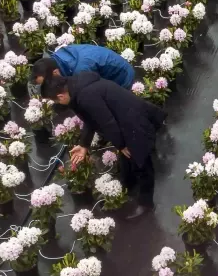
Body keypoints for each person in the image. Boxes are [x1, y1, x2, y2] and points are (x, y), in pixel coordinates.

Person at [43, 71, 165, 217]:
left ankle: (146, 203)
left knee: (142, 162)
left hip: (133, 121)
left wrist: (122, 145)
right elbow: (90, 118)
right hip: (125, 118)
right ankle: (128, 186)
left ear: (60, 96)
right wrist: (84, 145)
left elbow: (107, 123)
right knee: (127, 159)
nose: (59, 104)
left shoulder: (85, 96)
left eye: (56, 101)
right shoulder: (76, 86)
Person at [31, 44, 136, 90]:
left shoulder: (81, 70)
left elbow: (93, 94)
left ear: (55, 73)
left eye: (47, 82)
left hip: (122, 77)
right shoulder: (61, 56)